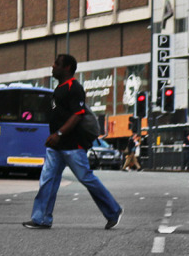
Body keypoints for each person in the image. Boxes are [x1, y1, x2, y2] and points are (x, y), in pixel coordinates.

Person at [22, 54, 123, 230]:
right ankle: (41, 218)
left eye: (56, 64)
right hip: (56, 146)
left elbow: (78, 114)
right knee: (47, 180)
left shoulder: (74, 88)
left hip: (72, 145)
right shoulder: (58, 89)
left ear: (67, 68)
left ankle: (113, 211)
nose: (52, 66)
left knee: (86, 178)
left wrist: (59, 133)